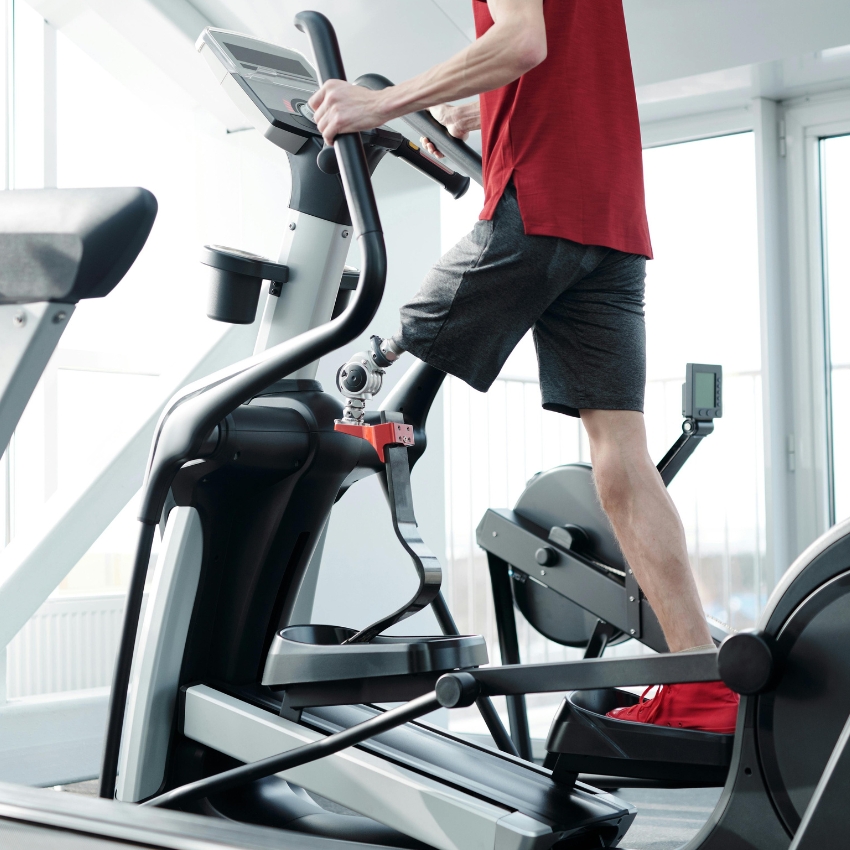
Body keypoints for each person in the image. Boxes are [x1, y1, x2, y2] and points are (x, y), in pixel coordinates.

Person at [308, 0, 738, 733]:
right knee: (620, 458)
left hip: (539, 202)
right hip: (610, 218)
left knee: (378, 361)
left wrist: (379, 102)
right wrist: (483, 108)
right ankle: (700, 681)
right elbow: (557, 63)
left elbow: (521, 42)